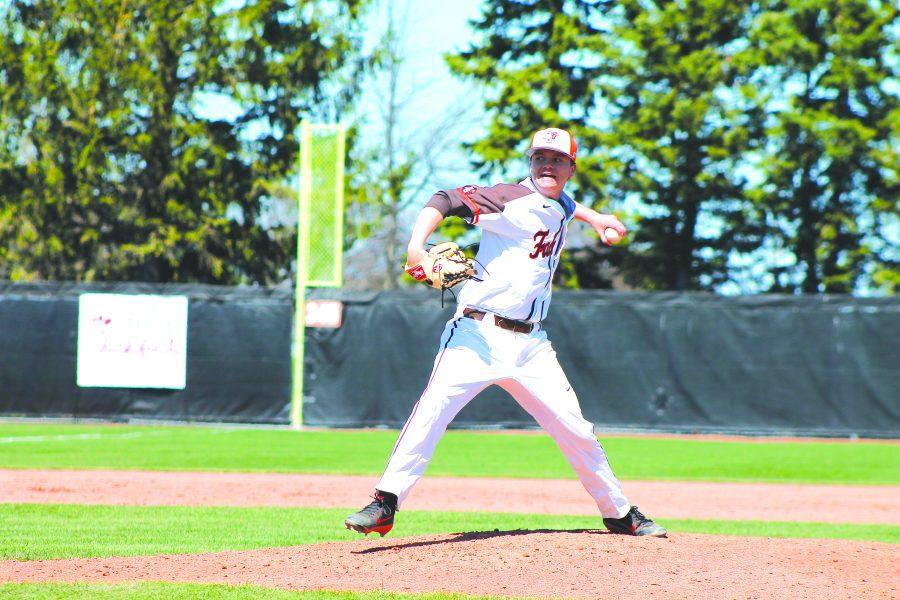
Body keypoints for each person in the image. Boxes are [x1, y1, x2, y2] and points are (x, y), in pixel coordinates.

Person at [344, 128, 667, 538]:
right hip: (477, 334)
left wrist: (598, 218)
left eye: (556, 160)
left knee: (577, 430)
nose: (546, 166)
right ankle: (386, 501)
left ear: (571, 167)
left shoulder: (560, 202)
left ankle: (618, 513)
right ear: (530, 163)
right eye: (539, 159)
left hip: (531, 345)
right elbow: (443, 200)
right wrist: (416, 246)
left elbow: (566, 205)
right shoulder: (508, 199)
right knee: (432, 411)